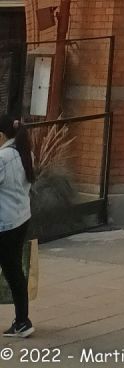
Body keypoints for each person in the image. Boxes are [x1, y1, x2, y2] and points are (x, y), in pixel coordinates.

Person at [0, 114, 33, 339]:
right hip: (21, 218)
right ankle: (22, 320)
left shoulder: (3, 158)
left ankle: (23, 321)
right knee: (14, 272)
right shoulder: (25, 152)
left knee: (12, 271)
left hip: (5, 224)